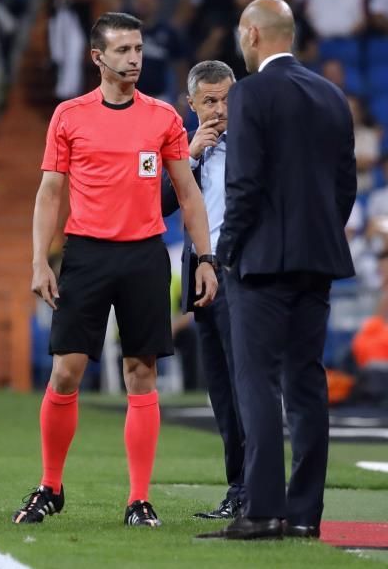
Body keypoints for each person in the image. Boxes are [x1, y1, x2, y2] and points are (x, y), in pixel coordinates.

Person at [12, 12, 217, 527]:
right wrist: (39, 260)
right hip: (85, 254)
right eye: (123, 50)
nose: (134, 59)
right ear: (97, 57)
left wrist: (205, 257)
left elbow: (188, 192)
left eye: (139, 49)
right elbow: (50, 192)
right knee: (66, 371)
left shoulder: (164, 118)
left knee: (141, 374)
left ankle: (139, 500)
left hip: (145, 255)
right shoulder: (69, 116)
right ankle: (50, 485)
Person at [199, 0, 356, 540]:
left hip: (259, 266)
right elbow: (344, 186)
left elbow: (244, 184)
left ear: (251, 35)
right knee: (308, 383)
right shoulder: (332, 95)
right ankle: (306, 514)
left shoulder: (250, 93)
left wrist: (226, 253)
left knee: (258, 383)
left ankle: (264, 510)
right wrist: (319, 237)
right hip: (317, 262)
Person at [162, 60, 244, 519]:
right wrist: (188, 155)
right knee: (219, 387)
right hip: (198, 274)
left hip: (239, 273)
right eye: (209, 101)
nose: (219, 109)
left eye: (227, 98)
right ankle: (238, 488)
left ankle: (258, 487)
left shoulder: (254, 145)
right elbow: (159, 204)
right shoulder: (184, 149)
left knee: (244, 382)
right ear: (189, 104)